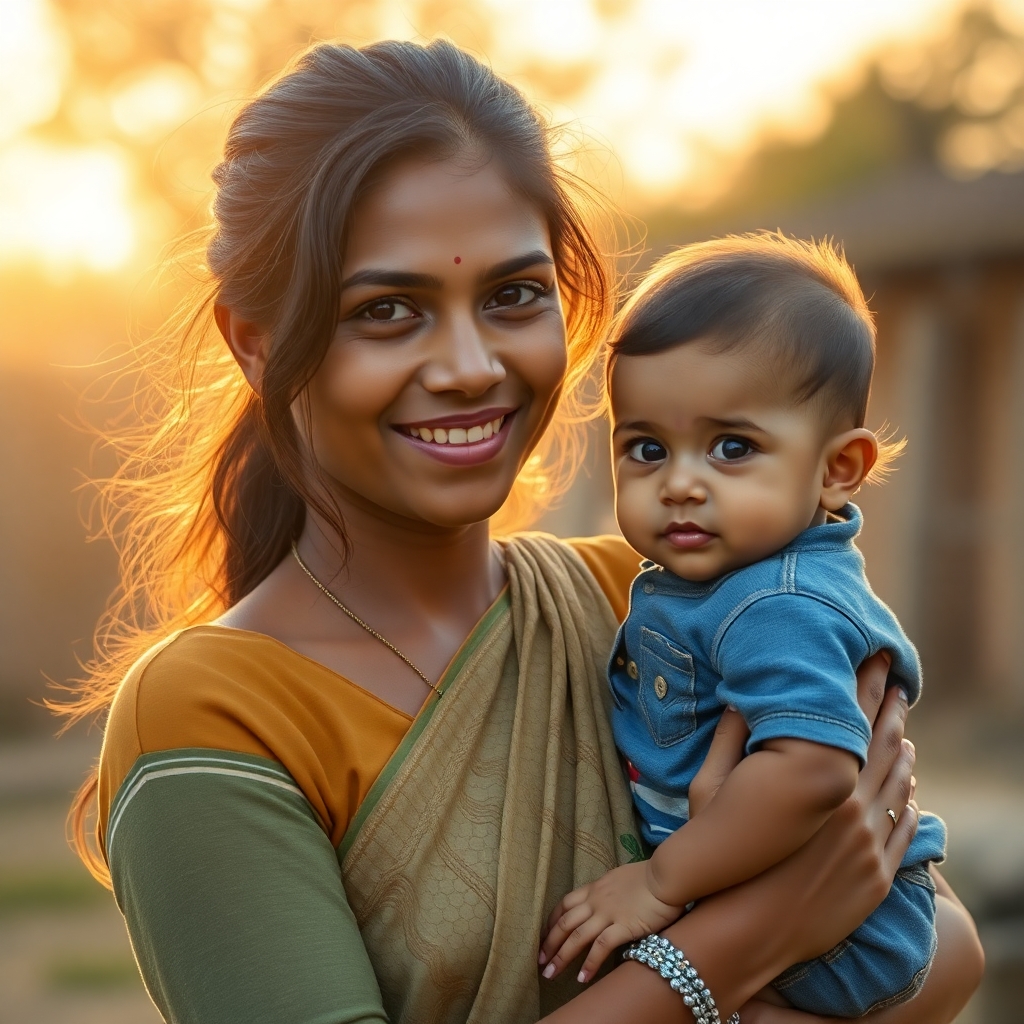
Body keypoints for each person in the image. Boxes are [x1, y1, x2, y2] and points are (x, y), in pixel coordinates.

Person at [60, 40, 983, 1024]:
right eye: (387, 309)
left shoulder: (656, 595)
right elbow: (838, 897)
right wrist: (750, 933)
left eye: (511, 295)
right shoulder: (211, 712)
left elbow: (944, 944)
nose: (469, 365)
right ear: (255, 341)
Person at [539, 235, 957, 1017]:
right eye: (647, 448)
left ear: (837, 469)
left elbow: (813, 770)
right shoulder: (716, 582)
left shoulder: (776, 603)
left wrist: (663, 883)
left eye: (733, 447)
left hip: (846, 940)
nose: (681, 484)